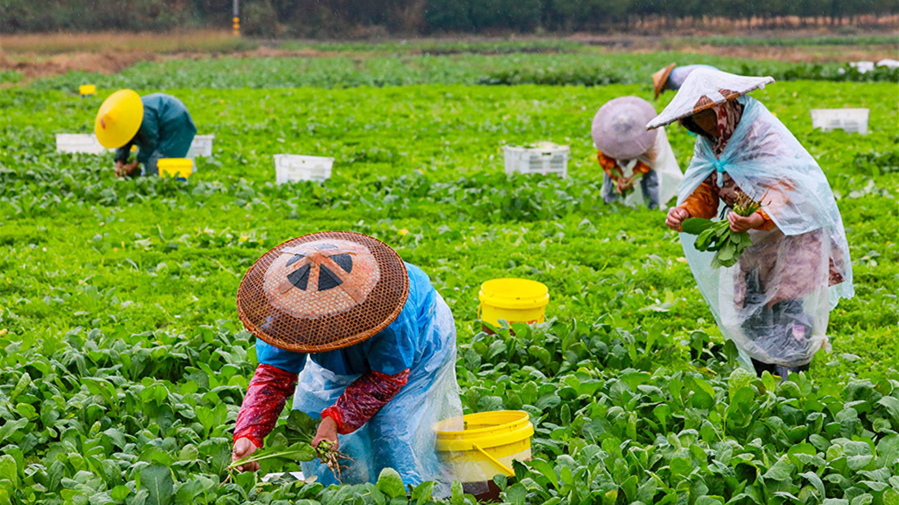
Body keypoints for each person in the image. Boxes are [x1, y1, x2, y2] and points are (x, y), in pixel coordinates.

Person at [651, 68, 853, 378]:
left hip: (792, 233)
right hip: (749, 239)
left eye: (704, 118)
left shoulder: (761, 133)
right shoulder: (711, 142)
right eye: (694, 122)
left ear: (722, 111)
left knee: (788, 303)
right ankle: (765, 372)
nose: (702, 128)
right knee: (752, 307)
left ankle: (793, 373)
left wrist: (758, 218)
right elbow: (706, 187)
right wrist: (687, 212)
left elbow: (785, 185)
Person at [230, 231, 462, 491]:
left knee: (393, 427)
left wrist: (336, 419)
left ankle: (408, 491)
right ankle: (335, 490)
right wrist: (249, 433)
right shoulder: (285, 313)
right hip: (347, 355)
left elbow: (388, 377)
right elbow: (274, 374)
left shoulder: (388, 309)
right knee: (312, 418)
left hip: (420, 341)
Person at [592, 96, 682, 209]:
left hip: (645, 146)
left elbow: (648, 161)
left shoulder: (651, 135)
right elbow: (605, 160)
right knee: (608, 174)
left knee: (650, 175)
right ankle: (608, 199)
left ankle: (652, 204)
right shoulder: (606, 137)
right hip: (616, 142)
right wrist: (617, 177)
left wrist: (634, 177)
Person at [94, 89, 197, 177]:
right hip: (160, 120)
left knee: (162, 160)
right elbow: (124, 138)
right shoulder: (123, 120)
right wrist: (119, 161)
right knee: (150, 160)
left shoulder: (142, 117)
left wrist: (134, 164)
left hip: (175, 120)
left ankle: (173, 184)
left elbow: (150, 142)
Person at [652, 63, 719, 100]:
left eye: (663, 89)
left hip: (708, 77)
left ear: (665, 84)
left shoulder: (675, 79)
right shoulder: (676, 72)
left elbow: (686, 95)